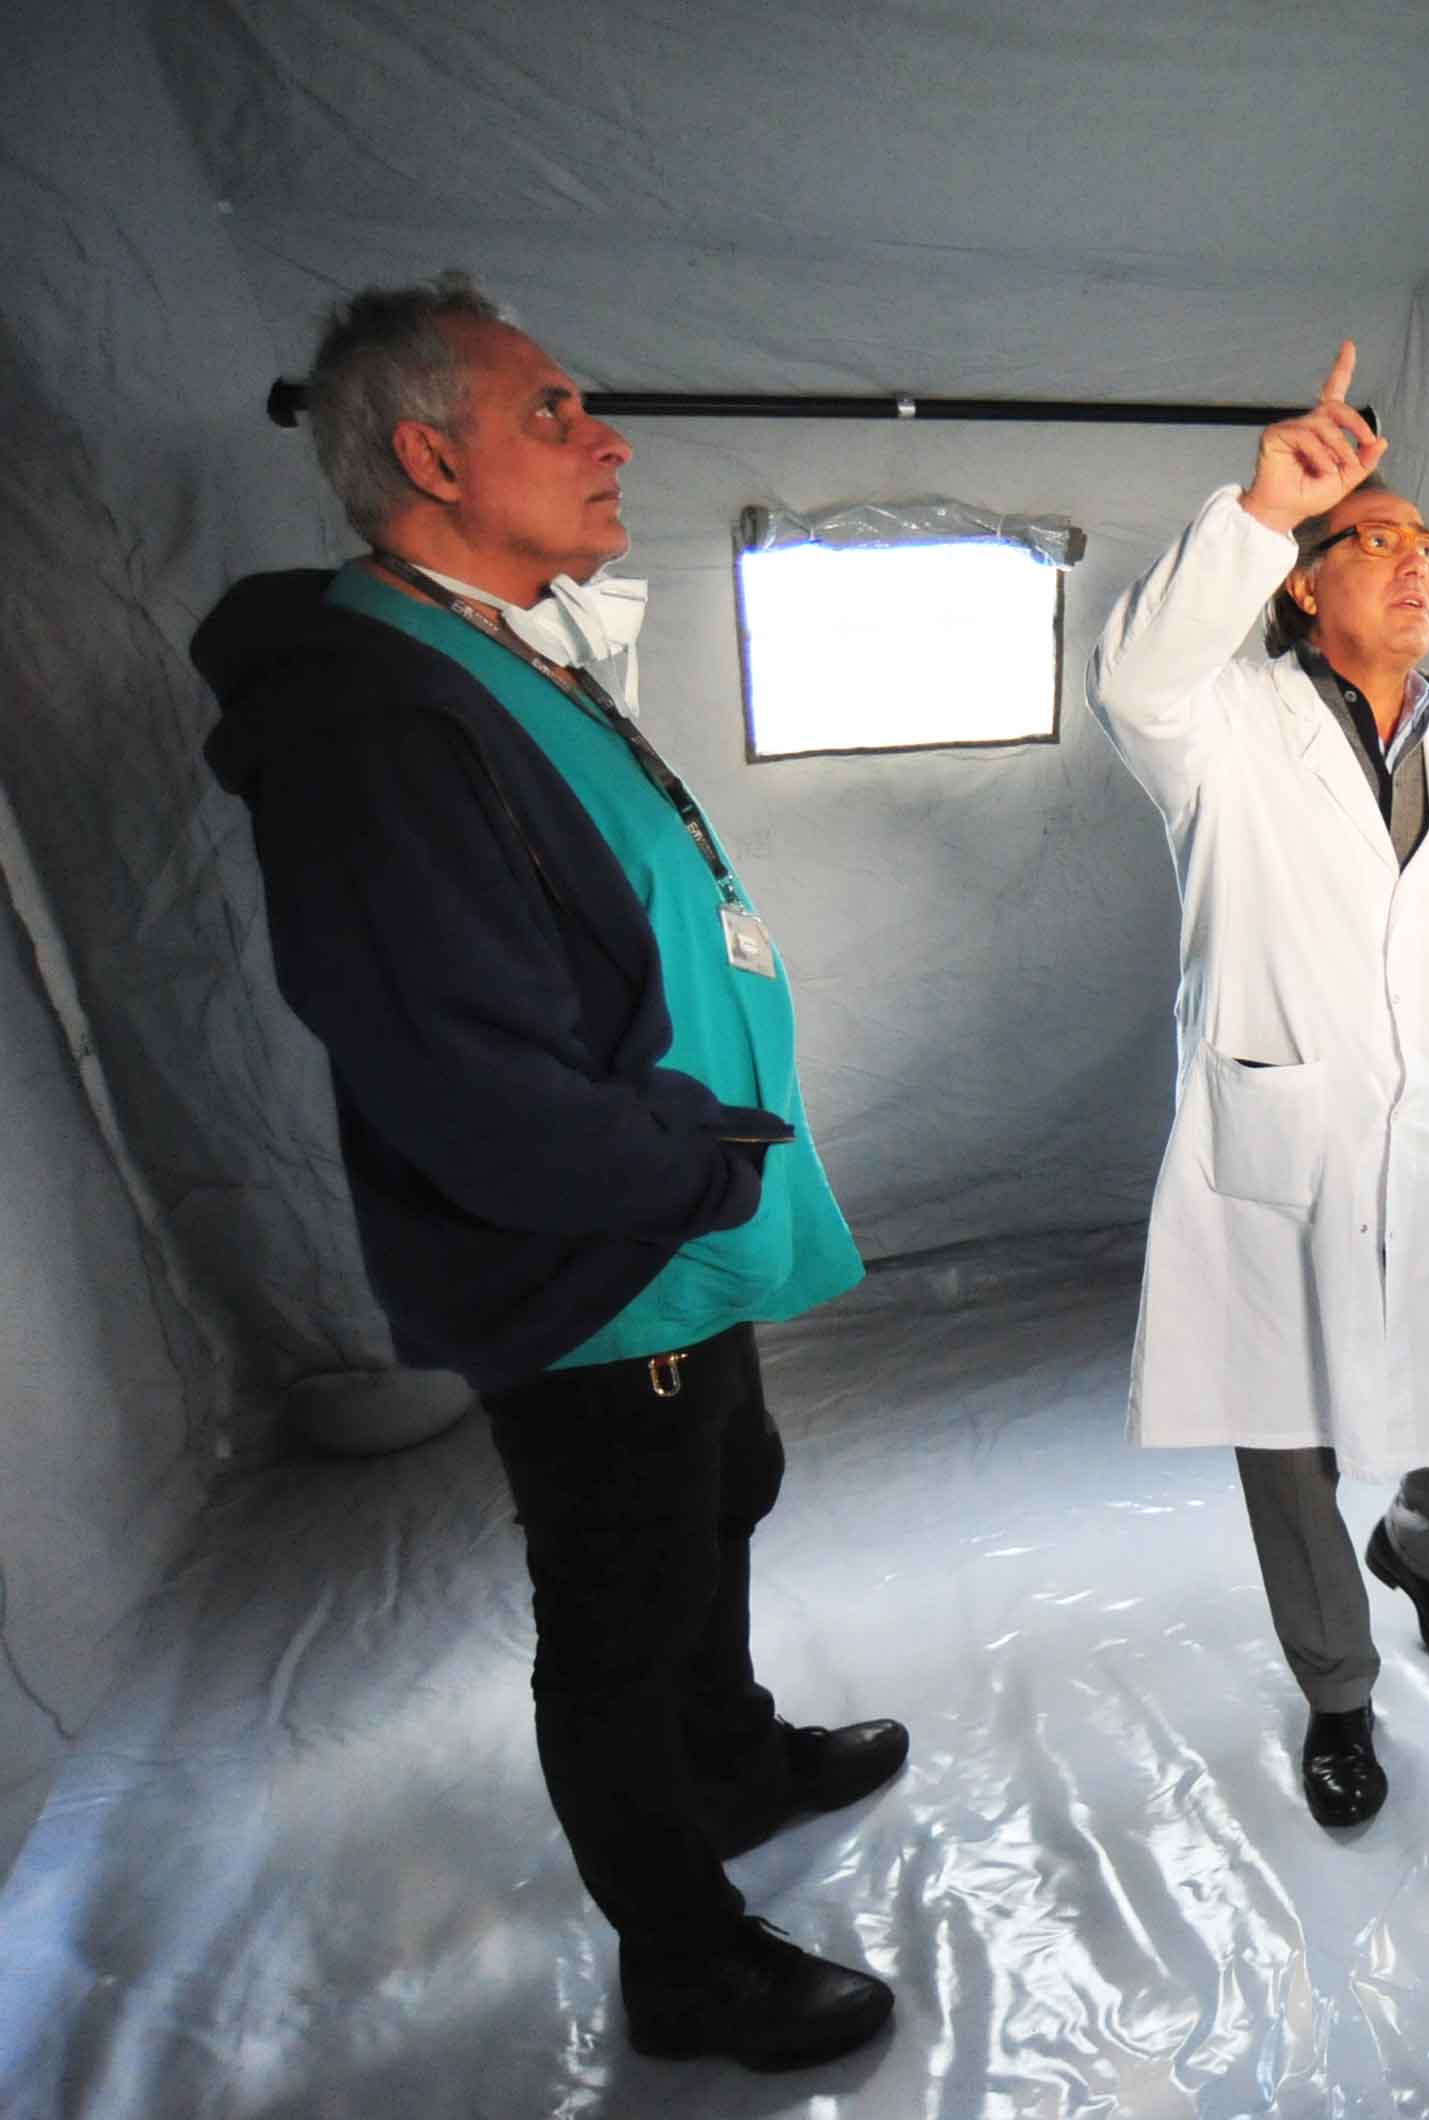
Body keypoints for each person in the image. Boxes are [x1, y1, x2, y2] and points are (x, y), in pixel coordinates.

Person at [196, 275, 904, 2073]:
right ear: (430, 455)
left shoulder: (500, 641)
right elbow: (456, 1068)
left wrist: (708, 1160)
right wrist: (685, 1153)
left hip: (673, 1214)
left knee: (724, 1481)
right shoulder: (373, 712)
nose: (610, 440)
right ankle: (684, 1959)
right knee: (617, 1608)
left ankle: (732, 1758)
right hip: (600, 1243)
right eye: (554, 414)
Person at [1089, 342, 1429, 1831]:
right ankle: (1341, 1693)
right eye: (1377, 543)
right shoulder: (1222, 722)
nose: (1414, 566)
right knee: (1289, 1439)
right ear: (1300, 583)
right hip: (1279, 1143)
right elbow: (1132, 675)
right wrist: (1267, 503)